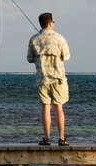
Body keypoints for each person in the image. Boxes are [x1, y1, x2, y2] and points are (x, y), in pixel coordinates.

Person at [27, 12, 70, 146]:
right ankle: (61, 138)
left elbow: (29, 59)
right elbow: (66, 57)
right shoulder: (60, 38)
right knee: (59, 107)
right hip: (58, 78)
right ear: (51, 23)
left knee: (46, 107)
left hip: (42, 78)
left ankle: (47, 138)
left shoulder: (34, 39)